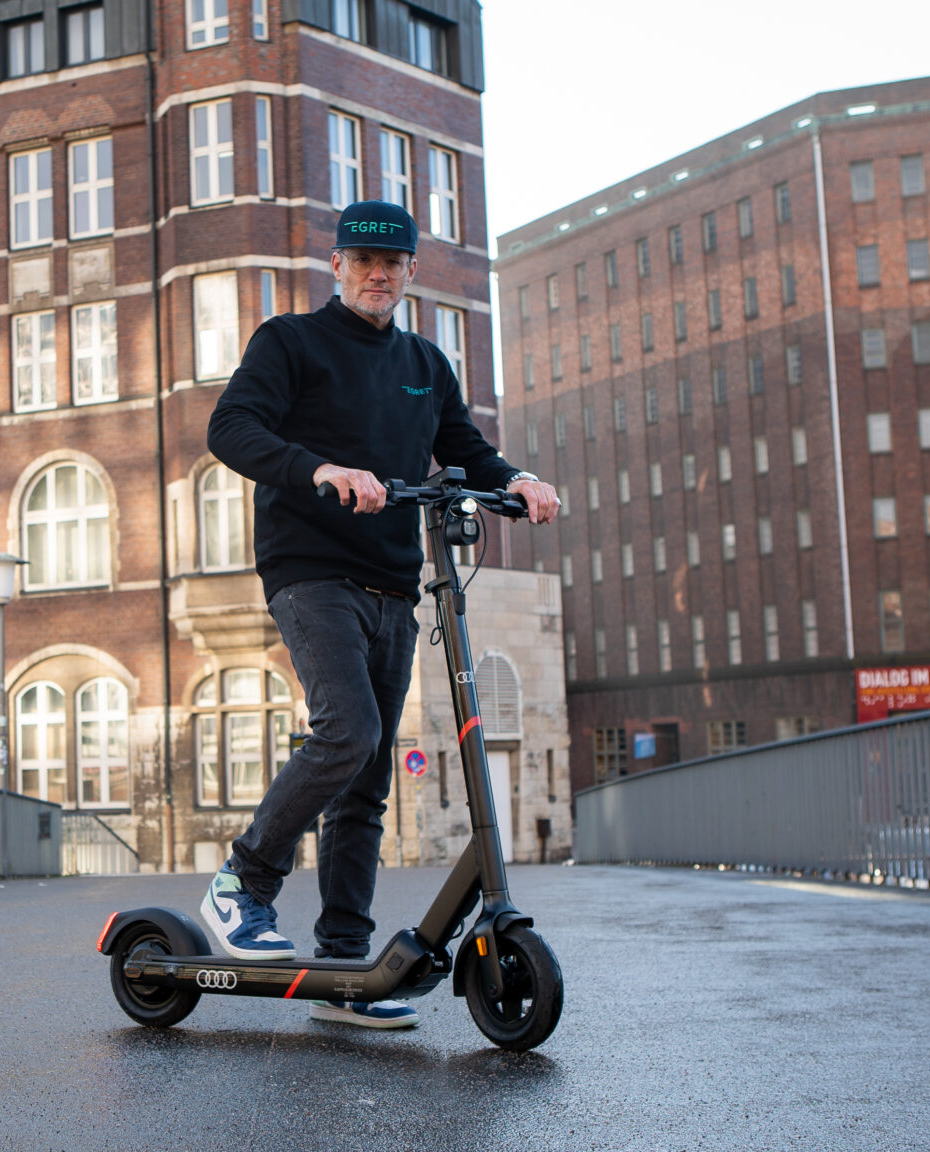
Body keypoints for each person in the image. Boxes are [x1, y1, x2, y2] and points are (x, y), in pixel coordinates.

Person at [199, 200, 559, 1029]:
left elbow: (466, 448)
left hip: (397, 583)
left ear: (410, 272)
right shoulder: (290, 343)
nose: (377, 273)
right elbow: (232, 430)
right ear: (336, 265)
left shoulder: (425, 364)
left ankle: (342, 968)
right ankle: (242, 884)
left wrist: (519, 479)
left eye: (392, 262)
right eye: (362, 260)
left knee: (365, 785)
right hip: (311, 570)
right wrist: (321, 468)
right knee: (349, 732)